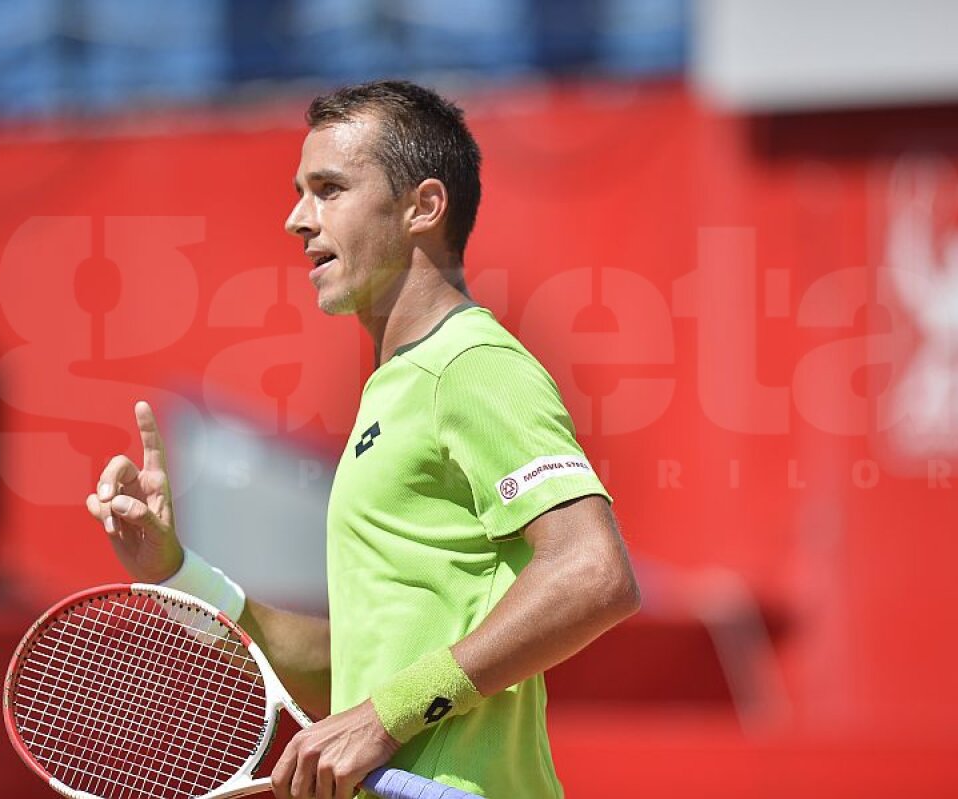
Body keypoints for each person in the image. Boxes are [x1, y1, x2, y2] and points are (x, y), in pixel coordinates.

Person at [85, 80, 639, 799]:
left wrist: (385, 716)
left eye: (329, 189)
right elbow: (341, 676)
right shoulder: (399, 388)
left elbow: (595, 573)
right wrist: (174, 572)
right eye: (299, 190)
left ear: (424, 206)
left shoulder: (470, 365)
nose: (295, 218)